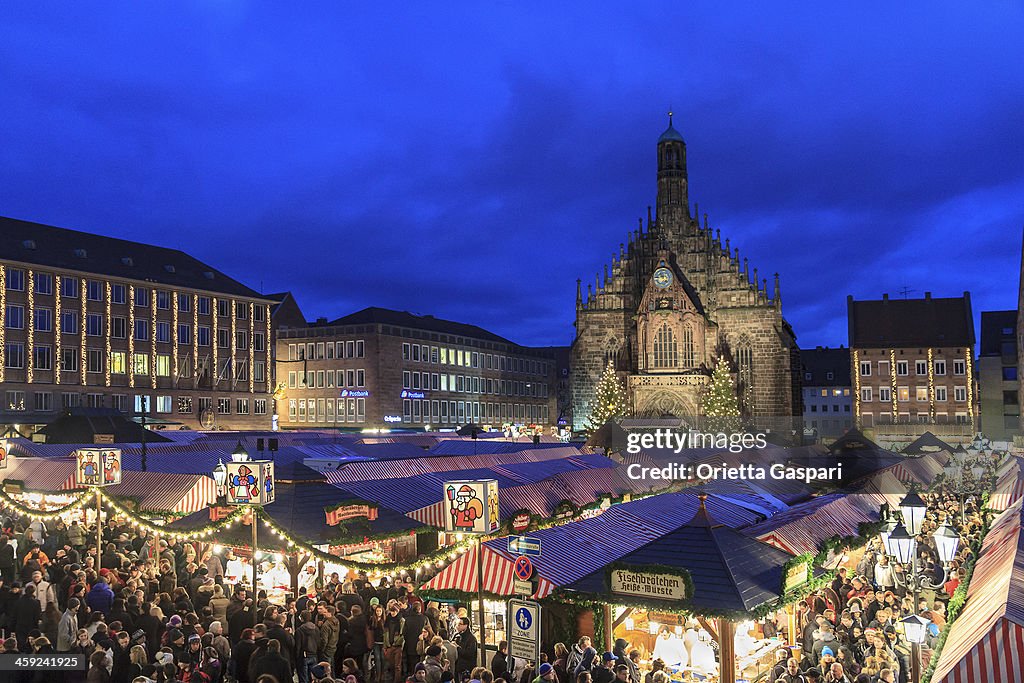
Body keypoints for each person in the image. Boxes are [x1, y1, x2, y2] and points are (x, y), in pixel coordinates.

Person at [452, 617, 477, 681]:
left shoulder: (471, 639)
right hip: (457, 667)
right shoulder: (456, 636)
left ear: (466, 625)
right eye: (457, 624)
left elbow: (469, 654)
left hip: (466, 668)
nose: (457, 626)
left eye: (460, 624)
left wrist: (457, 647)